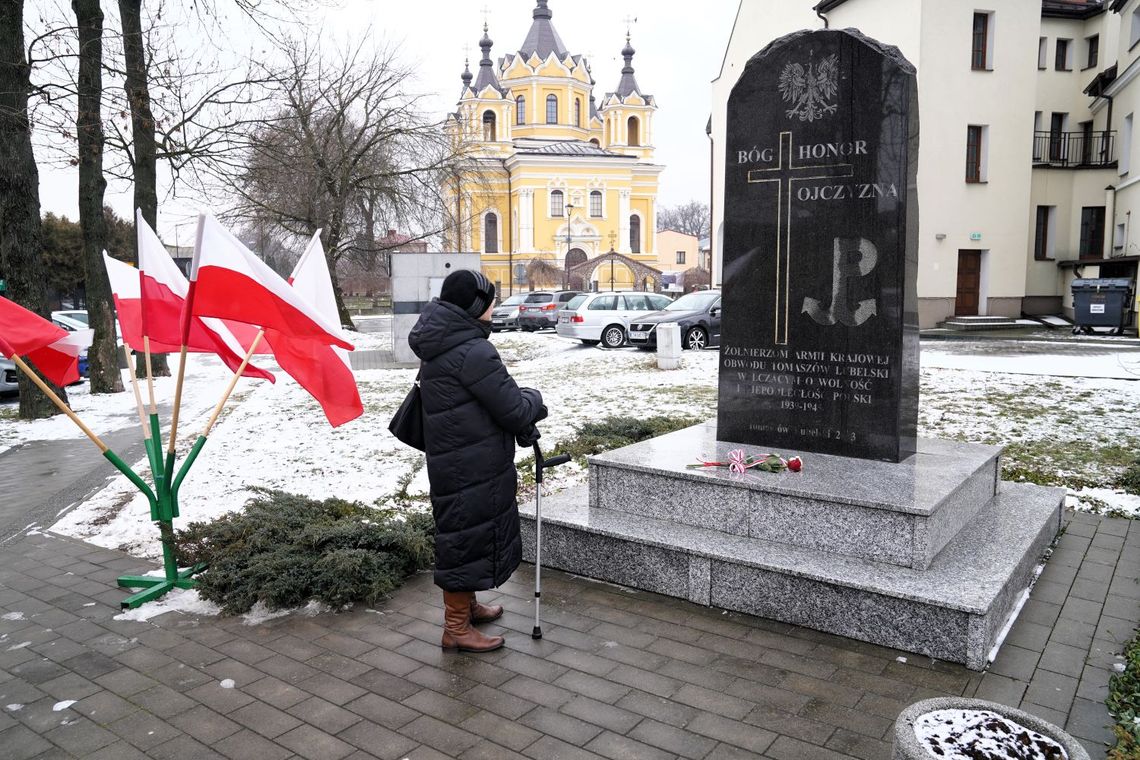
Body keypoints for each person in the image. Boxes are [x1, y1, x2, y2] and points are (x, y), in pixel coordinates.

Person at [407, 269, 547, 653]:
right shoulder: (473, 350)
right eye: (490, 299)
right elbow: (515, 409)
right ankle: (455, 627)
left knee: (463, 533)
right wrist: (535, 398)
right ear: (475, 305)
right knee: (462, 539)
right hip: (470, 461)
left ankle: (465, 609)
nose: (494, 306)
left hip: (456, 455)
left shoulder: (443, 342)